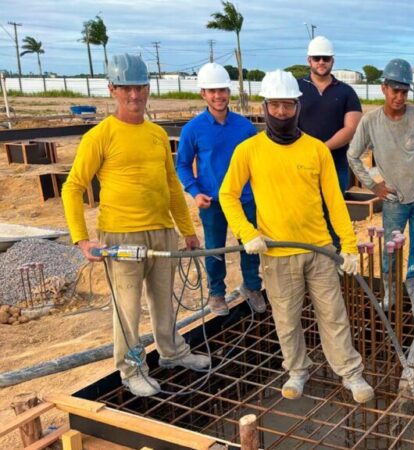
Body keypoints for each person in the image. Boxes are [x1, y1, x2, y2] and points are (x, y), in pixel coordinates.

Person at [219, 70, 373, 403]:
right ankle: (298, 371)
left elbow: (335, 200)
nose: (281, 112)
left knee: (333, 314)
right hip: (276, 253)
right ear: (265, 107)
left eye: (287, 105)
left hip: (319, 249)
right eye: (275, 105)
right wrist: (247, 232)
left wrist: (348, 247)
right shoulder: (249, 151)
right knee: (286, 319)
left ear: (297, 107)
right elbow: (227, 195)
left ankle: (350, 373)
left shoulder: (316, 150)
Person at [62, 54, 210, 397]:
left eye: (140, 87)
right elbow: (72, 187)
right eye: (126, 88)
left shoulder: (157, 135)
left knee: (164, 301)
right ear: (112, 89)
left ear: (147, 88)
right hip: (121, 236)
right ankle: (131, 369)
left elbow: (172, 186)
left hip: (161, 232)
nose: (134, 95)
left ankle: (172, 352)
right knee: (127, 309)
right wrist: (81, 240)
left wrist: (186, 230)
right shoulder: (100, 136)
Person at [347, 58, 414, 318]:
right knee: (391, 249)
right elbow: (353, 156)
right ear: (384, 88)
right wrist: (373, 186)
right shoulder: (370, 123)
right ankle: (390, 294)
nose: (400, 97)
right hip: (393, 201)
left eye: (404, 92)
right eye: (395, 91)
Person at [175, 62, 265, 316]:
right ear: (203, 94)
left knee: (250, 244)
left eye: (222, 90)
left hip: (244, 198)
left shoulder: (244, 128)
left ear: (229, 92)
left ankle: (252, 286)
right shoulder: (193, 129)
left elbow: (256, 164)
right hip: (212, 201)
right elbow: (182, 164)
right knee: (214, 247)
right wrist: (194, 191)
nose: (218, 96)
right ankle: (216, 294)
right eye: (211, 91)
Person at [298, 36, 362, 251]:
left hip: (335, 165)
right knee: (303, 213)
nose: (321, 62)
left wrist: (322, 148)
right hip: (300, 165)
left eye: (325, 58)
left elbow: (351, 128)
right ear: (309, 60)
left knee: (333, 214)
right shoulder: (296, 89)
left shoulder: (346, 92)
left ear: (332, 61)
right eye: (317, 58)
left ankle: (332, 262)